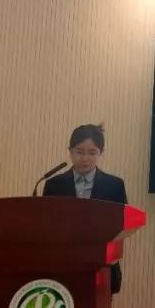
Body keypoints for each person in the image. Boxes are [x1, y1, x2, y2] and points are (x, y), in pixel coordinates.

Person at [42, 123, 128, 294]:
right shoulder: (54, 185)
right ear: (70, 151)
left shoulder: (114, 185)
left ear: (101, 152)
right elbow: (46, 225)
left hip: (101, 267)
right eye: (79, 152)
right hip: (62, 267)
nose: (85, 159)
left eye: (92, 152)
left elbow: (123, 225)